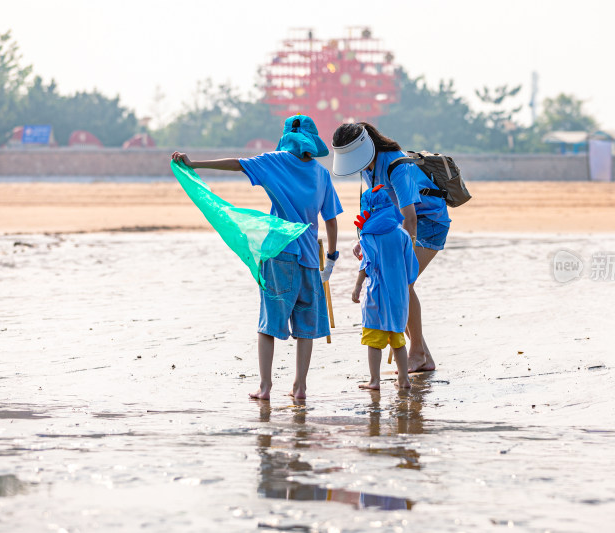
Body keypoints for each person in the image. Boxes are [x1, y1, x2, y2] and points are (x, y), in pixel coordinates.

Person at [171, 115, 342, 401]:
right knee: (307, 328)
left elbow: (238, 164)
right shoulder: (321, 174)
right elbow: (332, 221)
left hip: (279, 254)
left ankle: (265, 387)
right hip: (311, 259)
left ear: (286, 136)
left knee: (269, 324)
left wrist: (195, 164)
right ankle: (300, 388)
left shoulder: (274, 161)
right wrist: (332, 259)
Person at [332, 122, 449, 373]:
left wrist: (398, 251)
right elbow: (374, 207)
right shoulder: (367, 166)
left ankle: (417, 353)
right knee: (398, 285)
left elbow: (411, 217)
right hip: (401, 225)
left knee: (403, 284)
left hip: (429, 222)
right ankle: (423, 356)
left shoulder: (397, 165)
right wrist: (363, 239)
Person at [351, 184, 419, 390]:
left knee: (374, 339)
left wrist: (356, 288)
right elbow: (411, 267)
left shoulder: (369, 236)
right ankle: (404, 379)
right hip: (399, 296)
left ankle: (375, 381)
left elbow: (366, 265)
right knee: (398, 338)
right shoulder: (402, 235)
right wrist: (403, 285)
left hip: (377, 295)